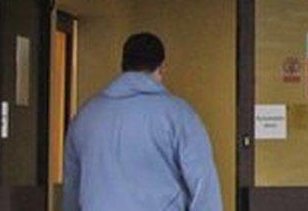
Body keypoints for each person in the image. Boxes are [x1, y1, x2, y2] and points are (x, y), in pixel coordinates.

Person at [63, 32, 222, 210]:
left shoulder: (86, 117)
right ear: (161, 68)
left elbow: (72, 188)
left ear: (123, 65)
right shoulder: (179, 115)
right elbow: (204, 184)